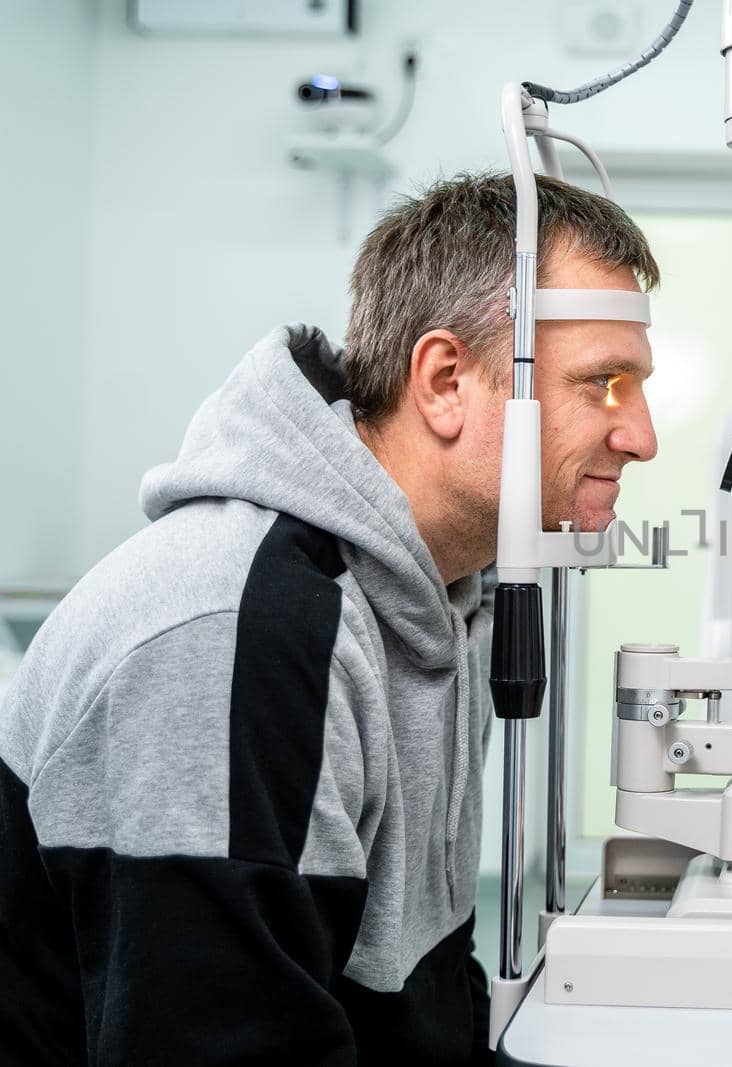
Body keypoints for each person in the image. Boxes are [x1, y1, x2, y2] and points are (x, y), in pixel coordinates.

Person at [0, 172, 659, 1063]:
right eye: (604, 384)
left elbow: (413, 977)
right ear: (445, 381)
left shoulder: (444, 600)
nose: (643, 434)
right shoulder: (240, 636)